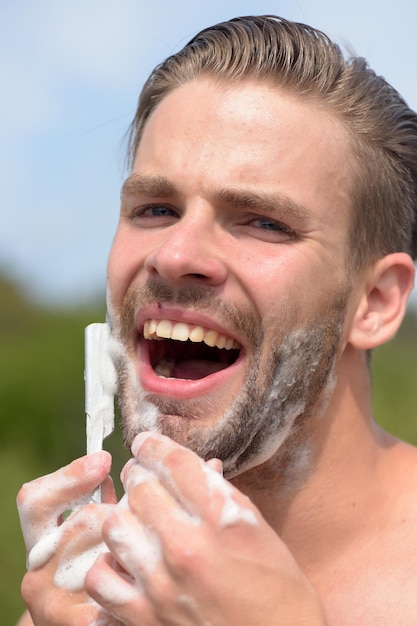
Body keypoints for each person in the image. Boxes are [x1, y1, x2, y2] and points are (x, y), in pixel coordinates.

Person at [17, 14, 417, 625]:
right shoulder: (93, 592)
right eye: (155, 208)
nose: (175, 255)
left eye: (263, 221)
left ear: (377, 302)